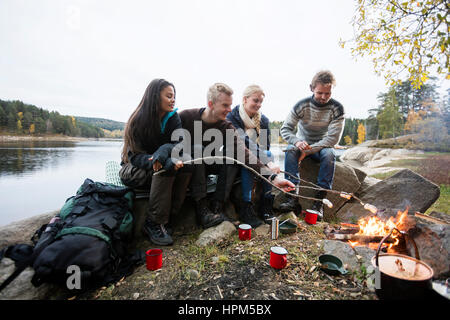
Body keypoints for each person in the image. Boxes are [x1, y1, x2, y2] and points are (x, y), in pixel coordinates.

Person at [179, 83, 295, 229]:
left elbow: (245, 152)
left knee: (233, 156)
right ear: (211, 104)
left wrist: (272, 177)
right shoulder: (186, 116)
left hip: (212, 164)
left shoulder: (227, 126)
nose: (229, 109)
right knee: (198, 148)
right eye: (225, 105)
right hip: (189, 166)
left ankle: (217, 207)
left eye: (230, 105)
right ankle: (202, 209)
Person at [120, 79, 191, 246]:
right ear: (154, 97)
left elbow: (179, 144)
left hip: (158, 164)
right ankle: (153, 222)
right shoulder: (137, 120)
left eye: (174, 96)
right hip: (134, 168)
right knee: (163, 169)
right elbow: (134, 157)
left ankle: (169, 219)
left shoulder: (173, 118)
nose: (173, 100)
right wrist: (155, 160)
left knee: (186, 165)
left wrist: (165, 152)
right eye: (168, 96)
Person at [280, 70, 345, 220]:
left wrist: (309, 152)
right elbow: (285, 129)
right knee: (290, 150)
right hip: (302, 143)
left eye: (327, 93)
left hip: (323, 146)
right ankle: (292, 197)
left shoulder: (337, 108)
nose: (323, 97)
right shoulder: (301, 105)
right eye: (320, 93)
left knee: (329, 154)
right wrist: (297, 141)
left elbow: (332, 139)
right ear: (311, 88)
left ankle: (319, 202)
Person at [226, 85, 280, 226]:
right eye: (255, 100)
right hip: (233, 154)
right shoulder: (232, 116)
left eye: (260, 102)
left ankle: (266, 205)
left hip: (254, 156)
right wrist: (268, 162)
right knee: (250, 156)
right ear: (245, 99)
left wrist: (267, 160)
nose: (258, 105)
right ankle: (246, 206)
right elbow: (243, 141)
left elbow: (264, 146)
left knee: (266, 154)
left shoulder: (263, 120)